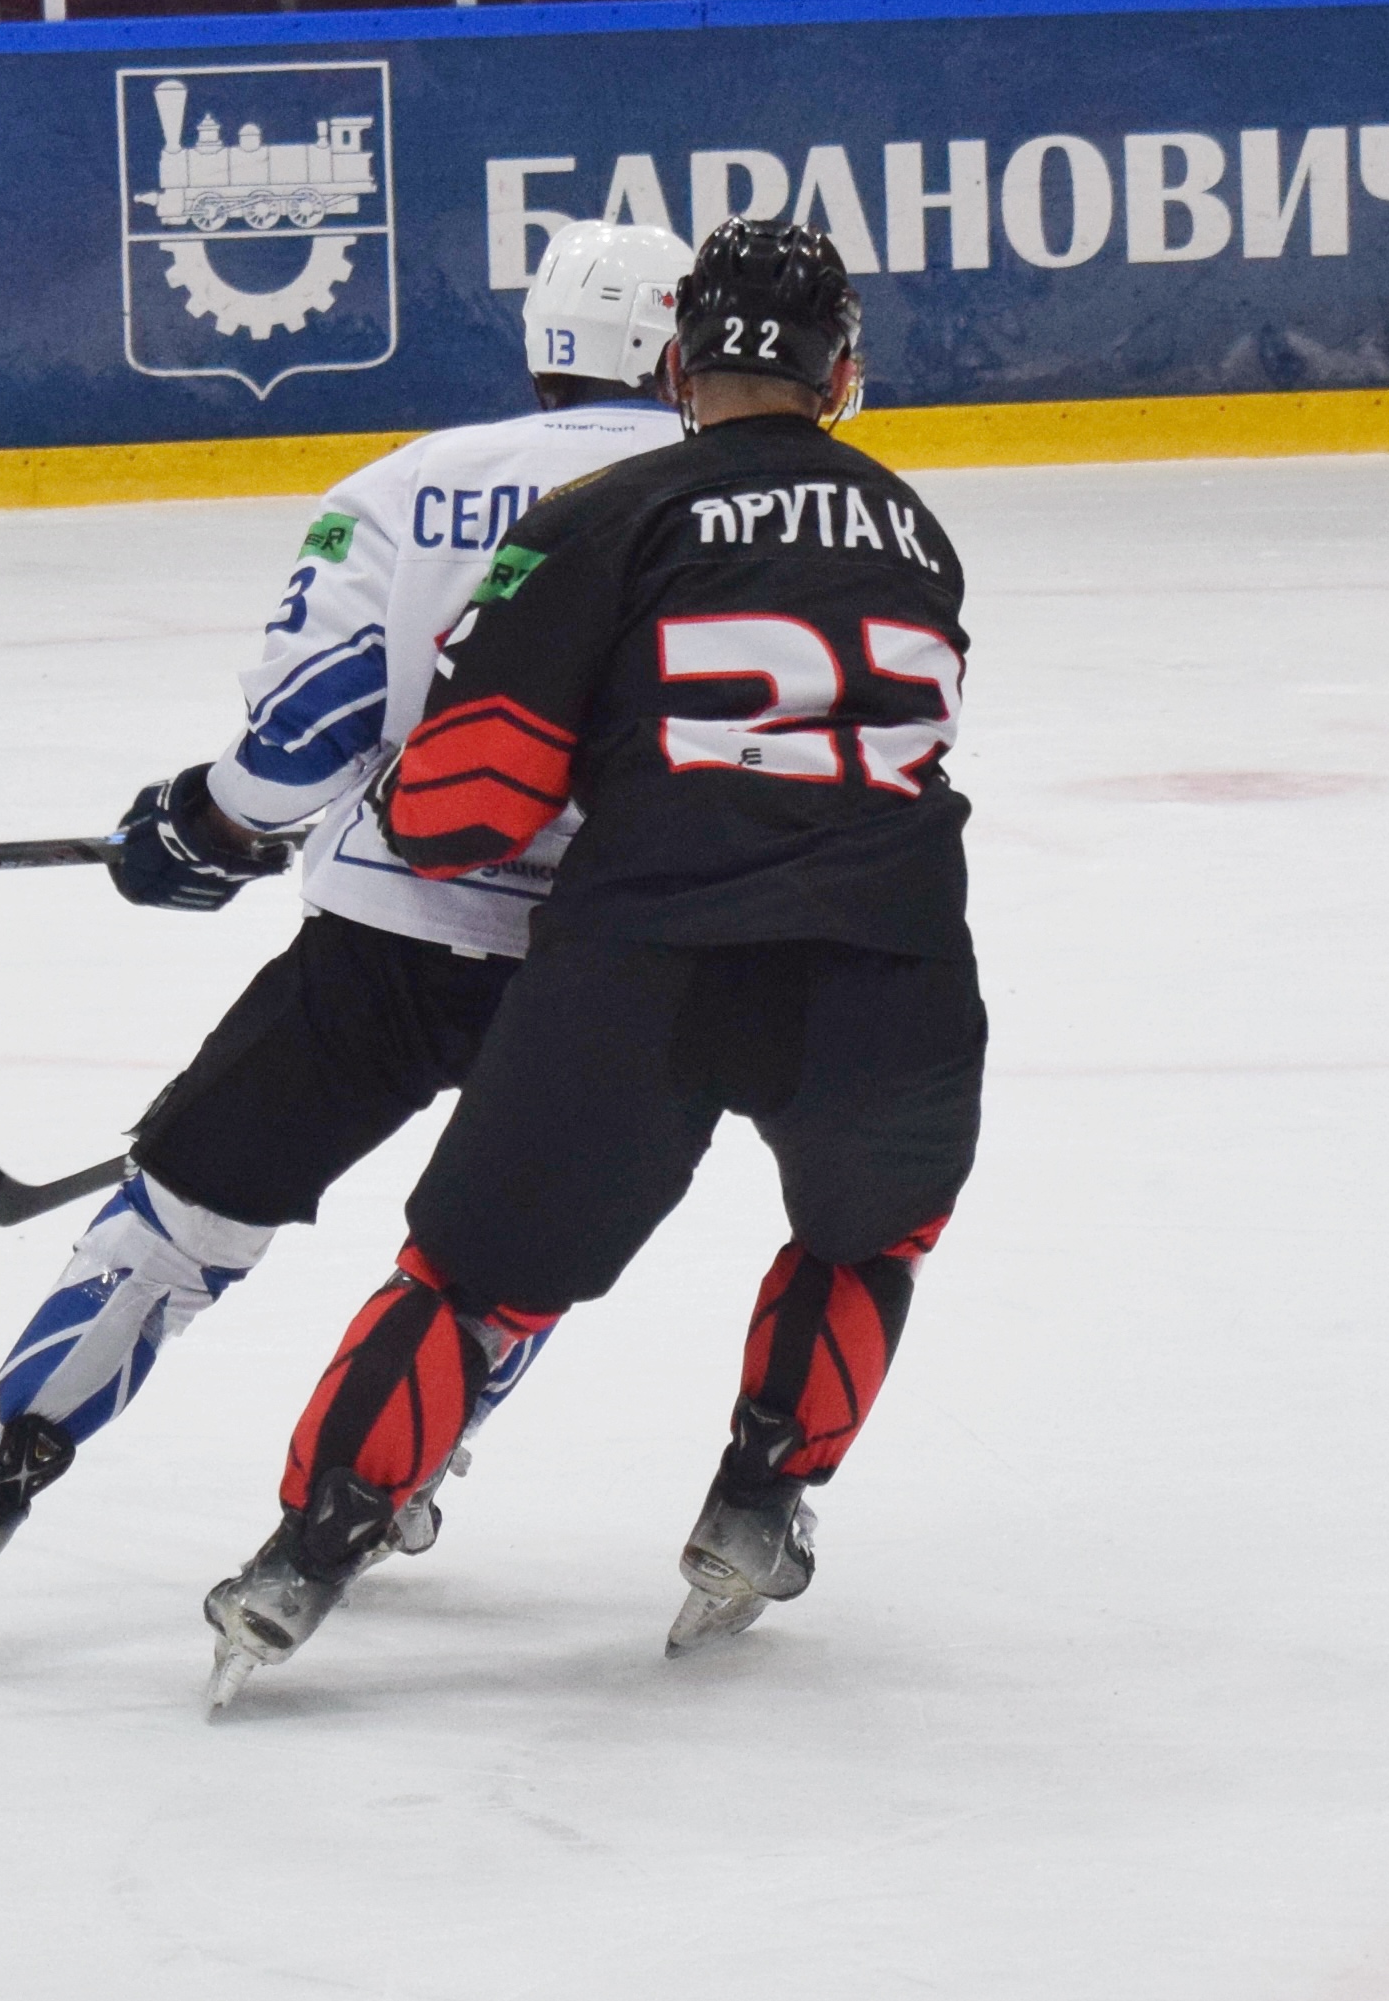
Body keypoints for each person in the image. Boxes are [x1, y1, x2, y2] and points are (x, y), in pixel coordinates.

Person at [0, 222, 696, 1658]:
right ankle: (398, 1472)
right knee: (508, 1255)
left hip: (386, 933)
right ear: (679, 349)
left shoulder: (403, 485)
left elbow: (308, 730)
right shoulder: (735, 505)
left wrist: (204, 828)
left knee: (178, 1223)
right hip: (608, 956)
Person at [200, 218, 982, 1708]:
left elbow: (465, 806)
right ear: (841, 375)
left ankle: (307, 1551)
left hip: (646, 962)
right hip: (887, 958)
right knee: (870, 1234)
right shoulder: (913, 527)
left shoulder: (603, 513)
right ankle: (755, 1508)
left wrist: (399, 790)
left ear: (678, 362)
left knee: (472, 1280)